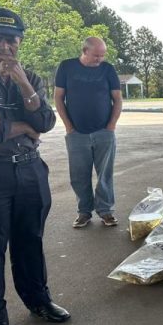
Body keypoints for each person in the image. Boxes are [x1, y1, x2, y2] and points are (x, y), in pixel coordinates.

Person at [0, 7, 70, 325]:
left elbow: (45, 122)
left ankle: (38, 301)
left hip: (30, 168)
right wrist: (21, 126)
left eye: (11, 40)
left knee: (30, 239)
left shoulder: (28, 75)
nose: (4, 46)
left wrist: (21, 82)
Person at [54, 37, 123, 228]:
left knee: (105, 174)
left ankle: (106, 211)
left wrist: (111, 126)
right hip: (76, 133)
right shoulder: (66, 67)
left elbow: (117, 99)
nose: (99, 59)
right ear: (84, 51)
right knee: (79, 175)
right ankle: (84, 212)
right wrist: (68, 126)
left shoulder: (108, 69)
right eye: (96, 56)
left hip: (104, 131)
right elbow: (58, 98)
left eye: (102, 55)